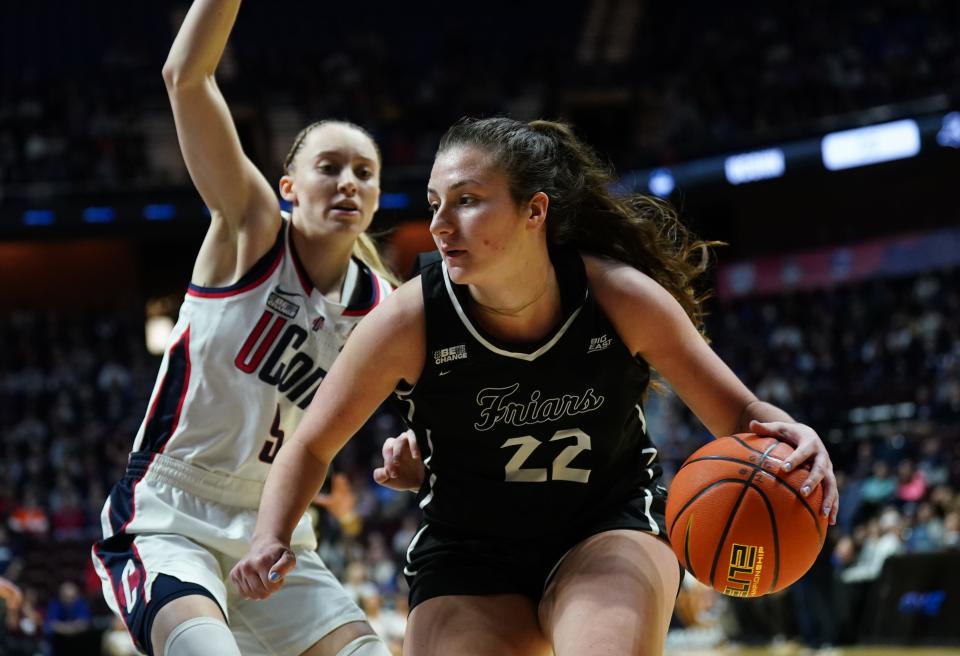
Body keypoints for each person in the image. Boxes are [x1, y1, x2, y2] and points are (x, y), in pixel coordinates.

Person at [231, 117, 840, 655]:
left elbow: (738, 412)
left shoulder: (618, 296)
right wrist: (269, 537)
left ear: (534, 211)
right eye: (435, 202)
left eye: (467, 200)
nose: (441, 224)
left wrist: (794, 436)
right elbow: (311, 445)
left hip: (604, 525)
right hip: (469, 549)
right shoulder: (409, 319)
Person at [90, 1, 396, 655]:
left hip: (277, 529)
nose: (348, 182)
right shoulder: (252, 230)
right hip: (171, 512)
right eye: (330, 167)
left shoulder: (383, 306)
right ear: (287, 187)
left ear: (376, 200)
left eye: (364, 173)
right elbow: (186, 77)